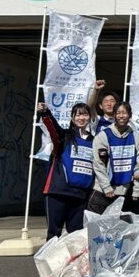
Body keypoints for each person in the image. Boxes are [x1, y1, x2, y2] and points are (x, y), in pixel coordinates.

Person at [37, 102, 94, 239]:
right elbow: (53, 128)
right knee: (54, 233)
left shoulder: (95, 141)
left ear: (90, 117)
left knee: (76, 235)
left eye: (85, 114)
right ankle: (50, 260)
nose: (82, 118)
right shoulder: (64, 136)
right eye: (78, 114)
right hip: (58, 192)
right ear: (73, 118)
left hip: (80, 195)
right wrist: (45, 113)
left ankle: (72, 260)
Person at [89, 101, 139, 213]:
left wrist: (137, 189)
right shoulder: (103, 136)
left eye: (124, 113)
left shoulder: (137, 137)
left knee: (122, 228)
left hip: (125, 192)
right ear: (114, 115)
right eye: (118, 113)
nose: (121, 116)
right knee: (95, 228)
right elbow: (98, 164)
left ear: (130, 115)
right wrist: (106, 187)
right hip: (102, 191)